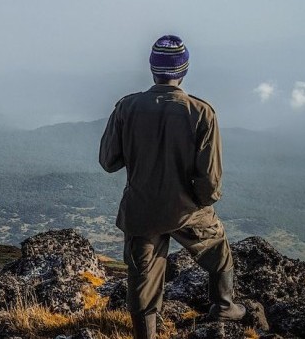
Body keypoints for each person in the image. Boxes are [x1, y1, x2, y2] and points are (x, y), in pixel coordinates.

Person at [99, 35, 245, 339]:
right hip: (186, 209)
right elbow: (210, 181)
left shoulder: (127, 107)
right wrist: (201, 202)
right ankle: (224, 305)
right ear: (185, 70)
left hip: (141, 210)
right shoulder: (201, 113)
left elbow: (108, 161)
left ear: (152, 69)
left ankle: (146, 335)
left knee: (142, 277)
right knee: (219, 251)